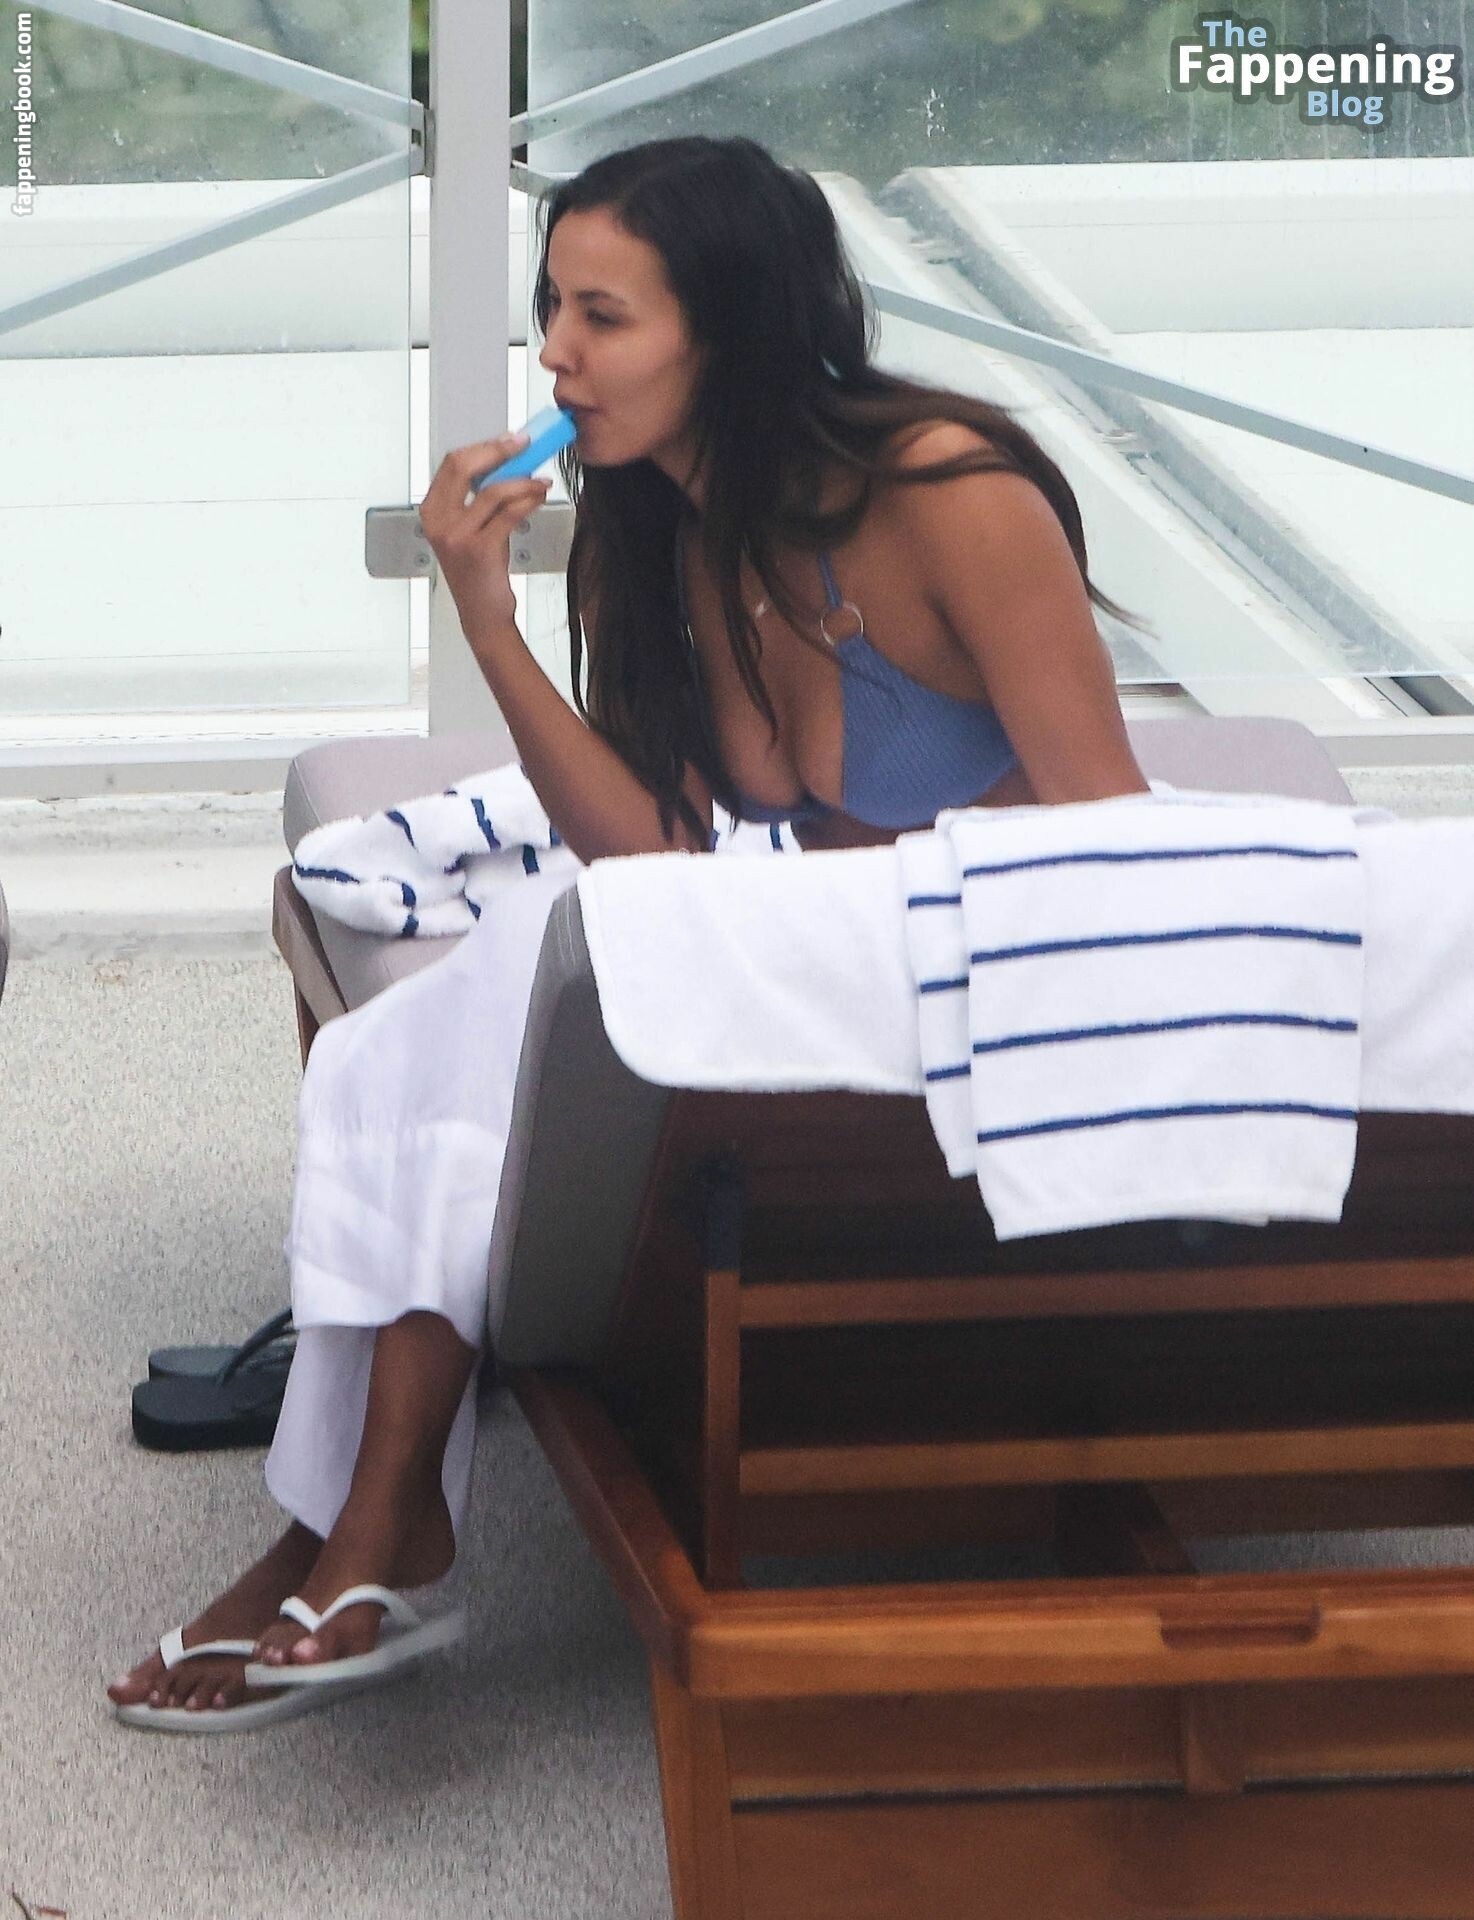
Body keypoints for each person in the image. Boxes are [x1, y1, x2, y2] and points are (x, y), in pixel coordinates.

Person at [108, 133, 1148, 1729]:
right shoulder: (657, 523)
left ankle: (366, 1530)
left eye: (603, 316)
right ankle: (351, 1527)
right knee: (457, 1007)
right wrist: (485, 619)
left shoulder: (952, 495)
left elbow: (1114, 842)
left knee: (517, 967)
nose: (556, 355)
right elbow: (653, 850)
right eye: (552, 308)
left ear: (729, 327)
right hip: (826, 957)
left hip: (989, 982)